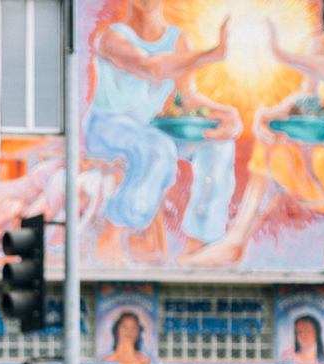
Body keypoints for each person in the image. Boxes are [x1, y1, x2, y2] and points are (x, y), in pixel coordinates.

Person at [180, 0, 324, 268]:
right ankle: (235, 243)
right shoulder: (320, 45)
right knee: (270, 148)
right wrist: (271, 114)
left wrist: (281, 54)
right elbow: (307, 95)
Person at [85, 0, 240, 263]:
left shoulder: (177, 39)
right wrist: (214, 53)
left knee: (218, 145)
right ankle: (112, 235)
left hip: (151, 126)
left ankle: (198, 242)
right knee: (158, 149)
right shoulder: (111, 37)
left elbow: (187, 96)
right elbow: (152, 68)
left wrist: (226, 114)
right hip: (108, 127)